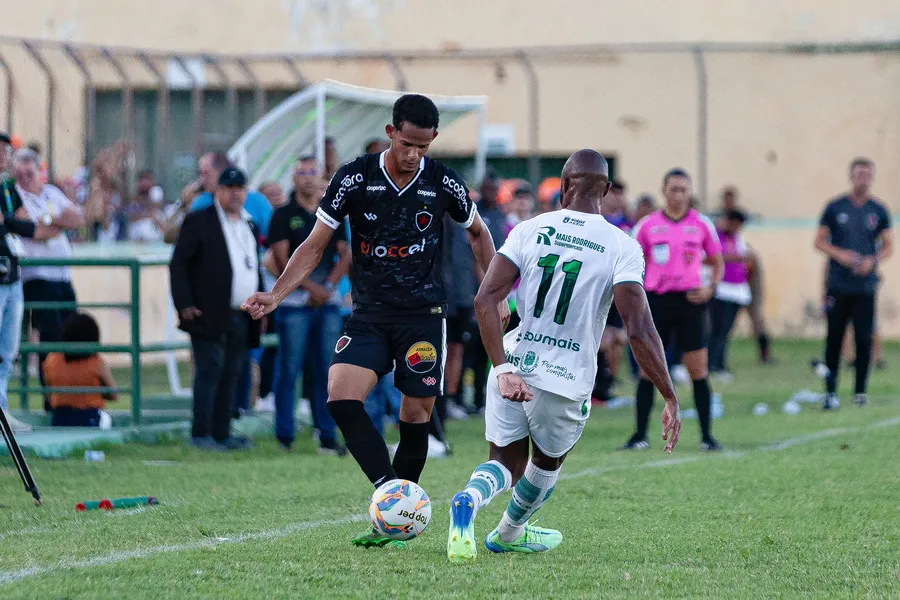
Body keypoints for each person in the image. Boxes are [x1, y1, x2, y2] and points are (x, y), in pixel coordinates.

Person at [243, 93, 506, 548]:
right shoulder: (354, 177)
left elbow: (479, 234)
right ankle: (391, 495)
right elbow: (314, 244)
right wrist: (277, 293)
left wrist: (494, 291)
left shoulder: (443, 182)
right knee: (340, 398)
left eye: (423, 147)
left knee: (414, 413)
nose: (413, 155)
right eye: (406, 144)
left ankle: (395, 521)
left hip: (423, 316)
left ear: (433, 141)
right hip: (369, 314)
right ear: (391, 133)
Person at [446, 149, 681, 561]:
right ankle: (508, 532)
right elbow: (639, 328)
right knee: (547, 463)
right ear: (606, 190)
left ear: (564, 185)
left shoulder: (528, 229)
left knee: (502, 462)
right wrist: (669, 394)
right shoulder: (621, 246)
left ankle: (470, 497)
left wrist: (501, 366)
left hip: (515, 363)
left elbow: (485, 299)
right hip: (566, 378)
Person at [621, 168, 724, 451]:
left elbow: (717, 262)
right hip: (656, 302)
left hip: (691, 302)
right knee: (648, 369)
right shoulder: (646, 225)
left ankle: (706, 437)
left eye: (684, 190)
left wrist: (710, 288)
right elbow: (629, 261)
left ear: (690, 193)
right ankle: (639, 435)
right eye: (674, 189)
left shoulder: (702, 224)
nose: (679, 195)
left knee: (698, 370)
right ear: (663, 191)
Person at [170, 167, 263, 450]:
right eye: (230, 188)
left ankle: (222, 432)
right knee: (209, 371)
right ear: (218, 191)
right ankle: (201, 433)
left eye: (240, 188)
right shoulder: (200, 221)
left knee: (232, 373)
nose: (236, 193)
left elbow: (252, 267)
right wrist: (184, 303)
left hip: (241, 312)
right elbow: (179, 264)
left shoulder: (249, 224)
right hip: (207, 311)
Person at [267, 156, 351, 453]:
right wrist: (310, 287)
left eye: (311, 172)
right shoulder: (282, 215)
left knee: (326, 371)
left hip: (326, 304)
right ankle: (284, 435)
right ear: (293, 178)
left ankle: (326, 434)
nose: (306, 177)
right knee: (289, 370)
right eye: (300, 172)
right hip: (294, 304)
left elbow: (346, 253)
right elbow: (281, 259)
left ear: (321, 177)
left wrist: (327, 287)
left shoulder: (332, 214)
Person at [813, 158, 892, 409]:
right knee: (834, 337)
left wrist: (873, 260)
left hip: (865, 286)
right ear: (851, 177)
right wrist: (841, 255)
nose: (863, 179)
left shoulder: (878, 210)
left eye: (867, 175)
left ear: (872, 178)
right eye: (859, 174)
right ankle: (831, 391)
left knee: (864, 337)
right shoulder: (835, 207)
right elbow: (819, 241)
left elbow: (889, 244)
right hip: (838, 284)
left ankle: (860, 391)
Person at [15, 148, 86, 412]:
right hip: (38, 278)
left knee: (72, 336)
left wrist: (47, 220)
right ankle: (52, 400)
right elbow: (35, 232)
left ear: (39, 172)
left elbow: (77, 218)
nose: (24, 179)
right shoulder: (16, 198)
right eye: (19, 175)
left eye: (29, 173)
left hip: (62, 277)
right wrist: (58, 222)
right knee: (51, 338)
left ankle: (73, 396)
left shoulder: (50, 193)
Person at [0, 171, 58, 432]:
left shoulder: (7, 187)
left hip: (11, 275)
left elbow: (27, 225)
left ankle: (1, 411)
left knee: (7, 350)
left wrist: (9, 222)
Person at [42, 313, 118, 427]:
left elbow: (48, 393)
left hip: (60, 418)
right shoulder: (97, 362)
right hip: (89, 416)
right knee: (106, 419)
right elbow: (113, 395)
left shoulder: (51, 359)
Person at [189, 152, 274, 239]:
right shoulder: (200, 203)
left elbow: (273, 237)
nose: (201, 180)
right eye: (200, 173)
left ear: (221, 172)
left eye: (206, 173)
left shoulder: (257, 202)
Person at [708, 210, 752, 380]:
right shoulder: (715, 236)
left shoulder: (736, 238)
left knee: (726, 330)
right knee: (717, 329)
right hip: (721, 289)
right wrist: (733, 258)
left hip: (737, 290)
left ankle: (720, 364)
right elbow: (709, 257)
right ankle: (713, 365)